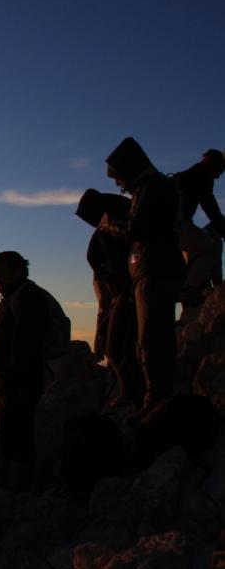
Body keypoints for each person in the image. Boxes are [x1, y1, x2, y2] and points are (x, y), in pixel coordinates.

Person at [99, 137, 185, 411]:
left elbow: (136, 229)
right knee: (149, 338)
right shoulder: (152, 187)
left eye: (118, 176)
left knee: (152, 339)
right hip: (153, 270)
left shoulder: (151, 187)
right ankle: (153, 396)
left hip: (154, 270)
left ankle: (155, 400)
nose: (118, 184)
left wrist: (110, 226)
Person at [76, 189, 145, 407]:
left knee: (118, 347)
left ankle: (135, 397)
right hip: (130, 288)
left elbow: (104, 299)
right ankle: (135, 394)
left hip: (128, 290)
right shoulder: (111, 226)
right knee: (124, 347)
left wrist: (100, 331)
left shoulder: (109, 229)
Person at [0, 251, 48, 490]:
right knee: (11, 441)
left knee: (18, 443)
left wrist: (16, 383)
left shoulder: (28, 298)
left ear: (18, 270)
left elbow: (26, 345)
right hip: (9, 387)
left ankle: (20, 493)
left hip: (18, 387)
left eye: (1, 273)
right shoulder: (14, 297)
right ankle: (17, 491)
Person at [174, 148, 225, 309]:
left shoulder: (184, 175)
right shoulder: (202, 175)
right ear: (212, 164)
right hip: (179, 226)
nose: (218, 176)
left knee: (196, 251)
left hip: (168, 227)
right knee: (213, 249)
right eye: (220, 171)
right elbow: (211, 209)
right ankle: (189, 289)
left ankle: (190, 289)